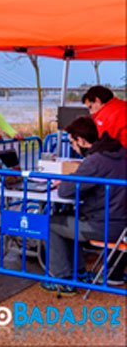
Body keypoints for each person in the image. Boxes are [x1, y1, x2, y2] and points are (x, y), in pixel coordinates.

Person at [41, 116, 127, 296]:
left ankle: (60, 279)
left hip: (105, 226)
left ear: (82, 141)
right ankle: (78, 272)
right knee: (68, 217)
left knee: (50, 223)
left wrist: (64, 181)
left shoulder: (96, 160)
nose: (73, 148)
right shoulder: (119, 152)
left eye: (72, 143)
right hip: (121, 224)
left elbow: (65, 192)